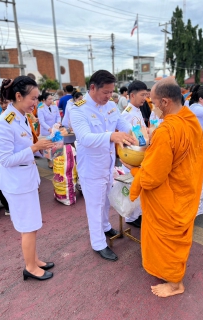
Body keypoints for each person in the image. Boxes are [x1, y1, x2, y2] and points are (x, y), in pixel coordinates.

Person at [124, 77, 203, 298]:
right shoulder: (190, 121)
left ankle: (175, 283)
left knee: (167, 240)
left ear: (166, 102)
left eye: (154, 102)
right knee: (176, 238)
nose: (153, 106)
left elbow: (150, 178)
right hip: (185, 190)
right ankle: (172, 275)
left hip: (169, 197)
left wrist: (133, 168)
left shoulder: (167, 130)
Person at [69, 70, 135, 261]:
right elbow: (85, 138)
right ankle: (98, 243)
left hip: (107, 165)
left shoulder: (111, 105)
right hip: (91, 167)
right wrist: (111, 136)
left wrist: (138, 133)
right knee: (95, 205)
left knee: (106, 200)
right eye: (105, 92)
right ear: (92, 88)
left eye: (111, 92)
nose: (109, 96)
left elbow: (124, 125)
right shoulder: (78, 109)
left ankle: (105, 227)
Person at [0, 76, 55, 281]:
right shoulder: (4, 122)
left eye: (37, 98)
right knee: (27, 226)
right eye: (33, 98)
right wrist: (35, 148)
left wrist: (41, 149)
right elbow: (6, 159)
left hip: (26, 179)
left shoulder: (21, 116)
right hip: (16, 183)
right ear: (18, 96)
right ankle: (30, 267)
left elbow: (26, 149)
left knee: (32, 224)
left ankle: (34, 259)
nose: (35, 103)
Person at [121, 80, 148, 228]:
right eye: (142, 95)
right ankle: (131, 218)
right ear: (132, 95)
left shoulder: (138, 110)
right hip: (132, 157)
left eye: (146, 94)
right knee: (132, 187)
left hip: (139, 156)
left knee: (138, 187)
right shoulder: (127, 114)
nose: (145, 98)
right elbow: (125, 138)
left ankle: (136, 214)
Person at [38, 92, 61, 168]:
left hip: (55, 129)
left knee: (57, 145)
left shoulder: (54, 106)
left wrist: (58, 123)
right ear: (44, 100)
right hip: (46, 130)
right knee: (48, 147)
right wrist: (49, 128)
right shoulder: (41, 109)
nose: (51, 100)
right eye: (49, 99)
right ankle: (49, 162)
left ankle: (57, 160)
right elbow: (41, 121)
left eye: (52, 99)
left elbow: (58, 116)